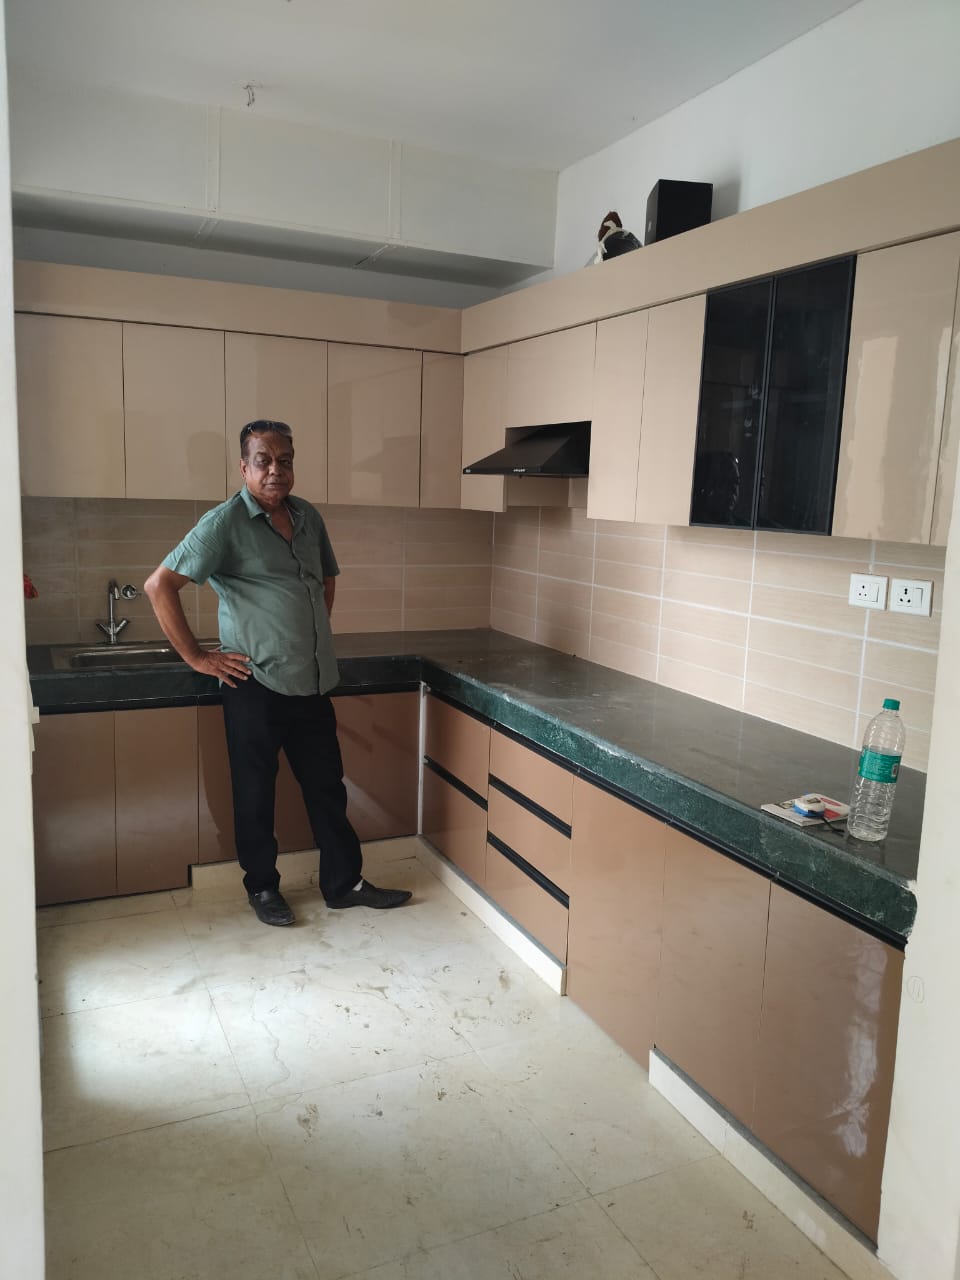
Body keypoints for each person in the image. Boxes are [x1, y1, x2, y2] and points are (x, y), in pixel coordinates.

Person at [144, 419, 411, 927]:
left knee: (328, 788)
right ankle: (263, 888)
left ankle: (344, 884)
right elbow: (159, 586)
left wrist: (309, 634)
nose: (275, 470)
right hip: (255, 683)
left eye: (284, 461)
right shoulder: (223, 523)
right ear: (244, 467)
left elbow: (325, 579)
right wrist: (198, 658)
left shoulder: (307, 516)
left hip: (312, 680)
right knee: (254, 794)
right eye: (263, 461)